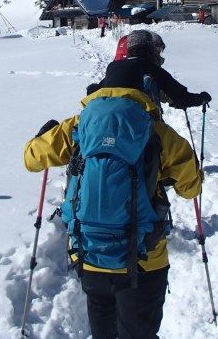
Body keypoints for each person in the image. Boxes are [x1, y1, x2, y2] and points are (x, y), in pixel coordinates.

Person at [23, 67, 202, 339]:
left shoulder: (79, 124)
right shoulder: (158, 131)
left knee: (102, 325)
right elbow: (191, 189)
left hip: (90, 253)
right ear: (141, 92)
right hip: (144, 260)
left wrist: (41, 137)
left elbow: (31, 159)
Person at [93, 30, 211, 111]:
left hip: (113, 124)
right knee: (179, 147)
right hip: (146, 127)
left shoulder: (114, 68)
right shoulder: (152, 69)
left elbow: (94, 91)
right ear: (150, 49)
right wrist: (202, 99)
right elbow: (181, 97)